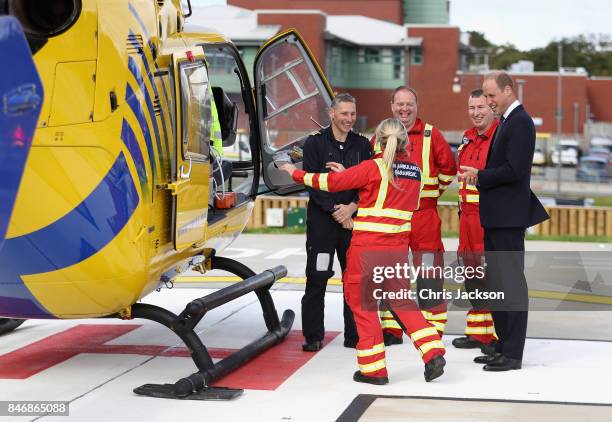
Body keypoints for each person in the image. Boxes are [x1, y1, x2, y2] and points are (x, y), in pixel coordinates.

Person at [281, 118, 446, 384]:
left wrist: (293, 172)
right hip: (395, 250)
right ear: (405, 141)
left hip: (366, 249)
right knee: (402, 302)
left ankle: (374, 370)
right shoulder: (415, 171)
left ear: (378, 141)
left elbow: (330, 183)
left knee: (363, 306)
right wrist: (352, 174)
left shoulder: (372, 168)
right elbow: (391, 197)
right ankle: (433, 351)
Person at [459, 72, 549, 371]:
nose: (487, 101)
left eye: (491, 95)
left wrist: (478, 175)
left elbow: (514, 170)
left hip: (508, 218)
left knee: (511, 284)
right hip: (497, 217)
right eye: (485, 96)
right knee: (498, 282)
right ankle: (503, 343)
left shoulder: (520, 122)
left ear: (508, 90)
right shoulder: (509, 122)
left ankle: (513, 353)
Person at [373, 87, 457, 345]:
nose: (404, 109)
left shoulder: (432, 135)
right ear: (391, 105)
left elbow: (448, 170)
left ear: (417, 105)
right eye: (400, 104)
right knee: (390, 272)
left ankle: (433, 331)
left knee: (429, 272)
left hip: (424, 218)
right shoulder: (381, 135)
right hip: (393, 219)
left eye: (409, 104)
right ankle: (391, 329)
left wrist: (428, 196)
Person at [300, 93, 372, 352]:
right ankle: (312, 336)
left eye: (352, 114)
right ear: (332, 114)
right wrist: (336, 211)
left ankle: (354, 336)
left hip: (352, 224)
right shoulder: (315, 144)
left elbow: (368, 182)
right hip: (323, 226)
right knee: (317, 278)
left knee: (353, 280)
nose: (349, 119)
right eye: (344, 114)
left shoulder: (363, 145)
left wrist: (352, 208)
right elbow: (311, 182)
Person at [452, 89, 499, 354]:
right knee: (471, 274)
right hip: (466, 218)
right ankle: (478, 333)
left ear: (492, 107)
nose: (476, 112)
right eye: (472, 108)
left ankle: (495, 335)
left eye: (481, 107)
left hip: (487, 218)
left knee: (490, 275)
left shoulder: (498, 138)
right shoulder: (467, 139)